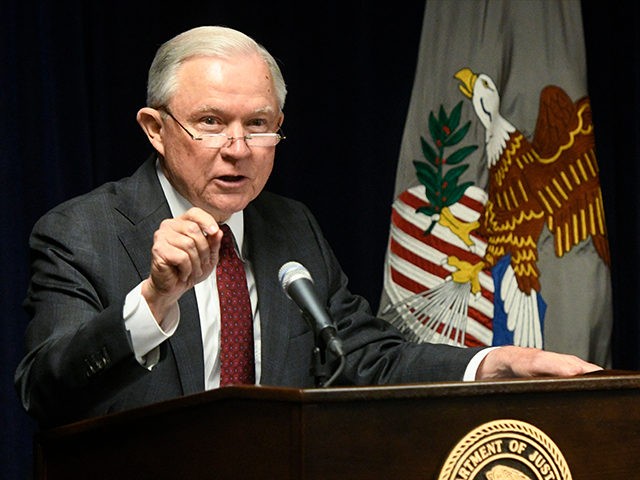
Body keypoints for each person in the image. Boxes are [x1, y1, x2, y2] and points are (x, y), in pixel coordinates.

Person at [14, 25, 601, 428]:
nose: (238, 149)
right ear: (154, 128)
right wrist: (155, 299)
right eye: (211, 122)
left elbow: (363, 359)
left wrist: (488, 363)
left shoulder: (292, 228)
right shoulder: (81, 232)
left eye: (259, 124)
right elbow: (45, 391)